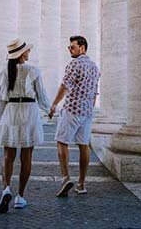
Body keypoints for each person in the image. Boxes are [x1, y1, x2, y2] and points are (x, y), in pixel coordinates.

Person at [0, 38, 51, 213]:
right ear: (21, 54)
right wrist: (49, 109)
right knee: (26, 156)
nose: (29, 52)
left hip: (11, 111)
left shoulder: (4, 71)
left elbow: (2, 99)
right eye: (27, 50)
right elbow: (41, 96)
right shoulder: (32, 70)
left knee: (7, 155)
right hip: (29, 112)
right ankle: (20, 197)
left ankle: (6, 189)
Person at [49, 35, 100, 197]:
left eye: (72, 47)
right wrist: (90, 108)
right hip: (87, 112)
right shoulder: (94, 67)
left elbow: (64, 86)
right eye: (69, 47)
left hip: (72, 109)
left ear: (82, 48)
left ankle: (66, 178)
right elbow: (95, 93)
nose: (69, 49)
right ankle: (81, 184)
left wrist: (54, 104)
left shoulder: (74, 64)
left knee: (61, 141)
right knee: (83, 146)